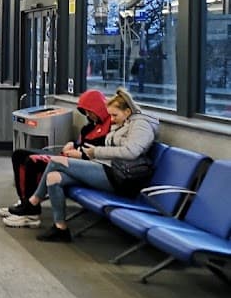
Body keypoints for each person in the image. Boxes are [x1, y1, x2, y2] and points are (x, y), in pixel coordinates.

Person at [13, 88, 159, 243]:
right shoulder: (124, 122)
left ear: (128, 111)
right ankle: (60, 228)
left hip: (120, 177)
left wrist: (95, 152)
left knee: (56, 161)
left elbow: (131, 152)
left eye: (114, 115)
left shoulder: (142, 125)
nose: (112, 119)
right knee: (53, 177)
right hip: (107, 168)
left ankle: (33, 203)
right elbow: (115, 146)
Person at [0, 88, 112, 228]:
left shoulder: (110, 130)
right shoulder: (92, 126)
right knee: (19, 155)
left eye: (90, 111)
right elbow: (81, 142)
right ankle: (25, 202)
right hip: (69, 157)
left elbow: (101, 153)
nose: (88, 115)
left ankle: (31, 211)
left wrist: (80, 153)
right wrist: (73, 144)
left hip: (78, 163)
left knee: (33, 162)